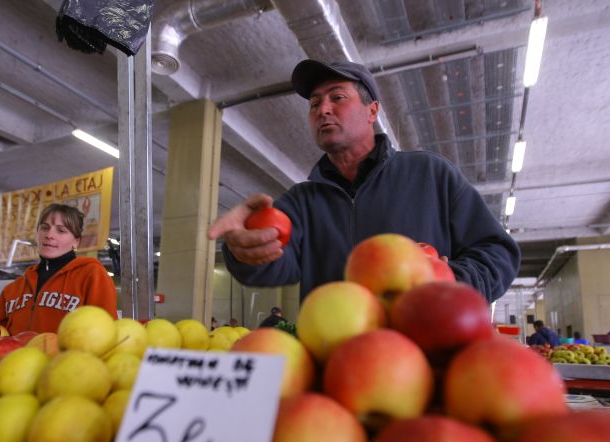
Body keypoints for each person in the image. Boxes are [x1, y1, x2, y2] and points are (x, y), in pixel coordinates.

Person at [206, 59, 520, 303]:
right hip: (335, 361)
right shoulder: (301, 202)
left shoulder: (429, 174)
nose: (323, 109)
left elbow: (497, 253)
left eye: (337, 97)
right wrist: (242, 248)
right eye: (314, 104)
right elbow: (274, 269)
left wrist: (445, 279)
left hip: (423, 359)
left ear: (372, 112)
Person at [0, 203, 117, 334]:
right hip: (19, 354)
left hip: (70, 355)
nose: (49, 235)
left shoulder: (92, 275)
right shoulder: (11, 290)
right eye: (45, 228)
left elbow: (106, 333)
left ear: (76, 241)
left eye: (61, 230)